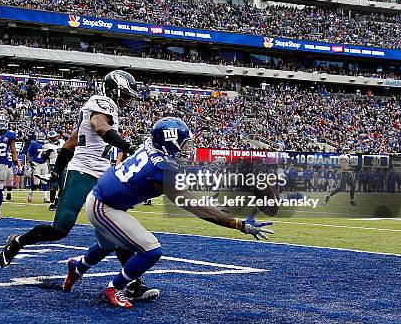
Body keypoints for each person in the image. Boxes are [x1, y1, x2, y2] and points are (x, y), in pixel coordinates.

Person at [62, 118, 274, 308]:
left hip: (103, 201)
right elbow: (194, 206)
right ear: (170, 142)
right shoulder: (161, 167)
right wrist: (238, 224)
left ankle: (77, 266)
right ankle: (114, 288)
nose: (187, 149)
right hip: (105, 207)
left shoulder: (152, 148)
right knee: (151, 250)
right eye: (184, 144)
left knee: (109, 243)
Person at [0, 70, 158, 301]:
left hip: (104, 175)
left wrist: (55, 171)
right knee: (60, 229)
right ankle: (19, 241)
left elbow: (70, 143)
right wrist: (129, 147)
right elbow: (100, 127)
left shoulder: (100, 109)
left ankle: (132, 282)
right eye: (124, 95)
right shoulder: (100, 104)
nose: (125, 100)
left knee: (118, 229)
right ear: (113, 90)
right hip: (83, 172)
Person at [26, 133, 50, 204]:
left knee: (44, 180)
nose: (41, 138)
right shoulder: (34, 144)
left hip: (44, 164)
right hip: (36, 164)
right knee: (36, 183)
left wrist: (48, 160)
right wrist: (30, 162)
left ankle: (46, 197)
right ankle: (30, 193)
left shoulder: (46, 144)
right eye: (40, 136)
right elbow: (28, 153)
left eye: (42, 136)